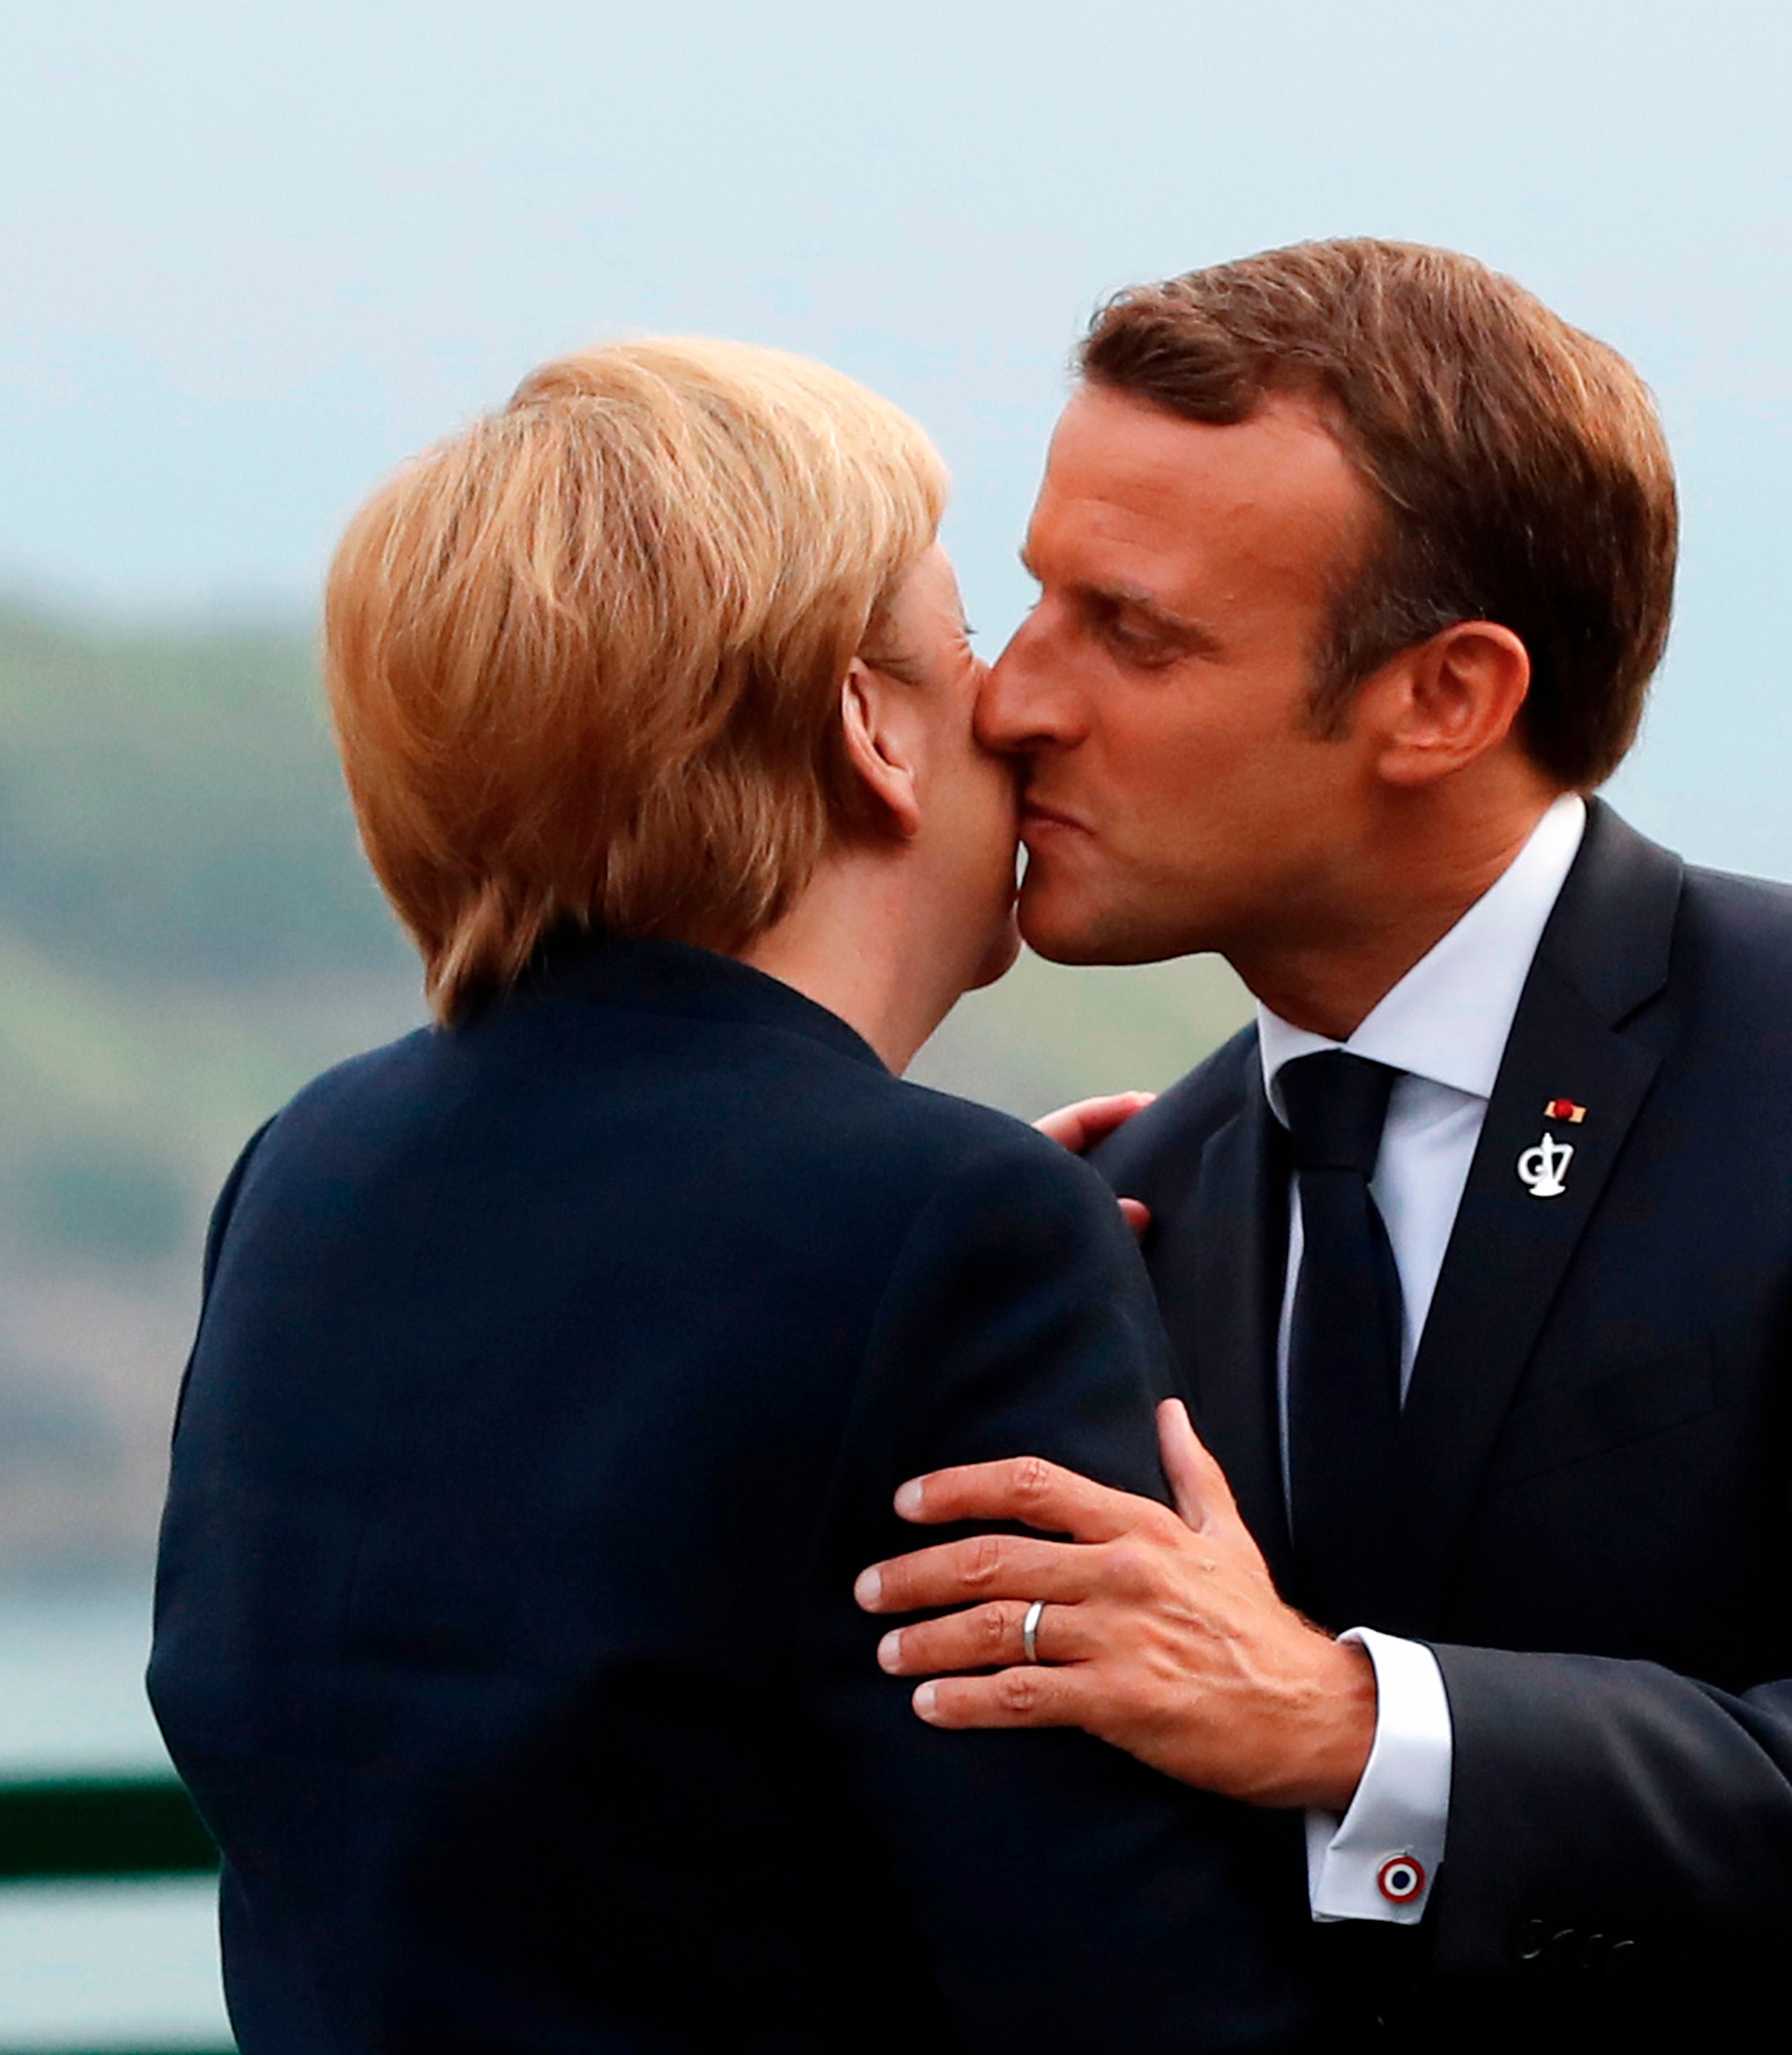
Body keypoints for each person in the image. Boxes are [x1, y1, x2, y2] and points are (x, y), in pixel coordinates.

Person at [853, 239, 1792, 2054]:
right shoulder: (1116, 1211)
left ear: (1446, 699)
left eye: (1137, 633)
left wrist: (1349, 1722)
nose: (1015, 701)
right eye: (1037, 604)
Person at [146, 339, 1312, 2052]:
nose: (1018, 707)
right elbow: (1129, 1991)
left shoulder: (312, 1164)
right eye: (970, 644)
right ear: (867, 725)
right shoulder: (944, 1230)